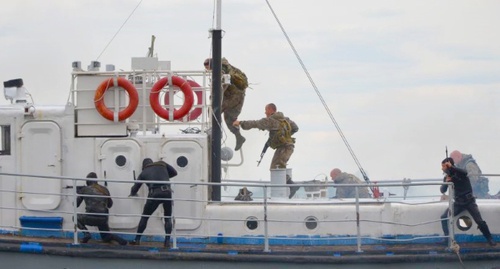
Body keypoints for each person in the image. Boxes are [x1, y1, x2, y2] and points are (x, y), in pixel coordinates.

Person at [233, 103, 300, 198]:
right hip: (288, 146)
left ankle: (291, 186)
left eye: (266, 110)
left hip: (284, 148)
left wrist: (240, 123)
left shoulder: (270, 121)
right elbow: (295, 128)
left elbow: (255, 123)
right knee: (279, 167)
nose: (265, 112)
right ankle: (291, 185)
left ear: (271, 110)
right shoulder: (285, 119)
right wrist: (284, 135)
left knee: (276, 168)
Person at [440, 157, 496, 246]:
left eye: (443, 166)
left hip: (469, 201)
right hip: (458, 203)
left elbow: (465, 172)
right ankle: (447, 238)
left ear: (449, 165)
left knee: (479, 221)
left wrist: (452, 167)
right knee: (444, 217)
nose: (442, 168)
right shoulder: (447, 177)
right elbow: (442, 190)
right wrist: (446, 183)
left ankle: (490, 238)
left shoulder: (460, 172)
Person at [129, 158, 177, 247]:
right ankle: (167, 242)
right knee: (167, 218)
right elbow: (174, 172)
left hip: (154, 194)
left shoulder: (144, 173)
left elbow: (134, 188)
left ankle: (137, 239)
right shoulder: (162, 164)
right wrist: (164, 176)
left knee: (145, 217)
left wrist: (132, 193)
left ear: (143, 166)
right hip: (167, 192)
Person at [204, 57, 248, 151]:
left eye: (208, 69)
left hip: (233, 96)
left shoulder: (221, 69)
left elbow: (223, 84)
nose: (208, 71)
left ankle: (216, 133)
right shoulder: (228, 67)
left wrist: (215, 98)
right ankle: (239, 137)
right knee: (230, 119)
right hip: (239, 96)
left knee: (213, 110)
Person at [76, 172, 127, 245]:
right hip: (103, 219)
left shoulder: (85, 189)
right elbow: (110, 205)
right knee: (106, 237)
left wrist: (79, 193)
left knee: (75, 217)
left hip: (91, 218)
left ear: (87, 181)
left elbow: (76, 204)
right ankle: (122, 241)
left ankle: (86, 234)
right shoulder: (104, 189)